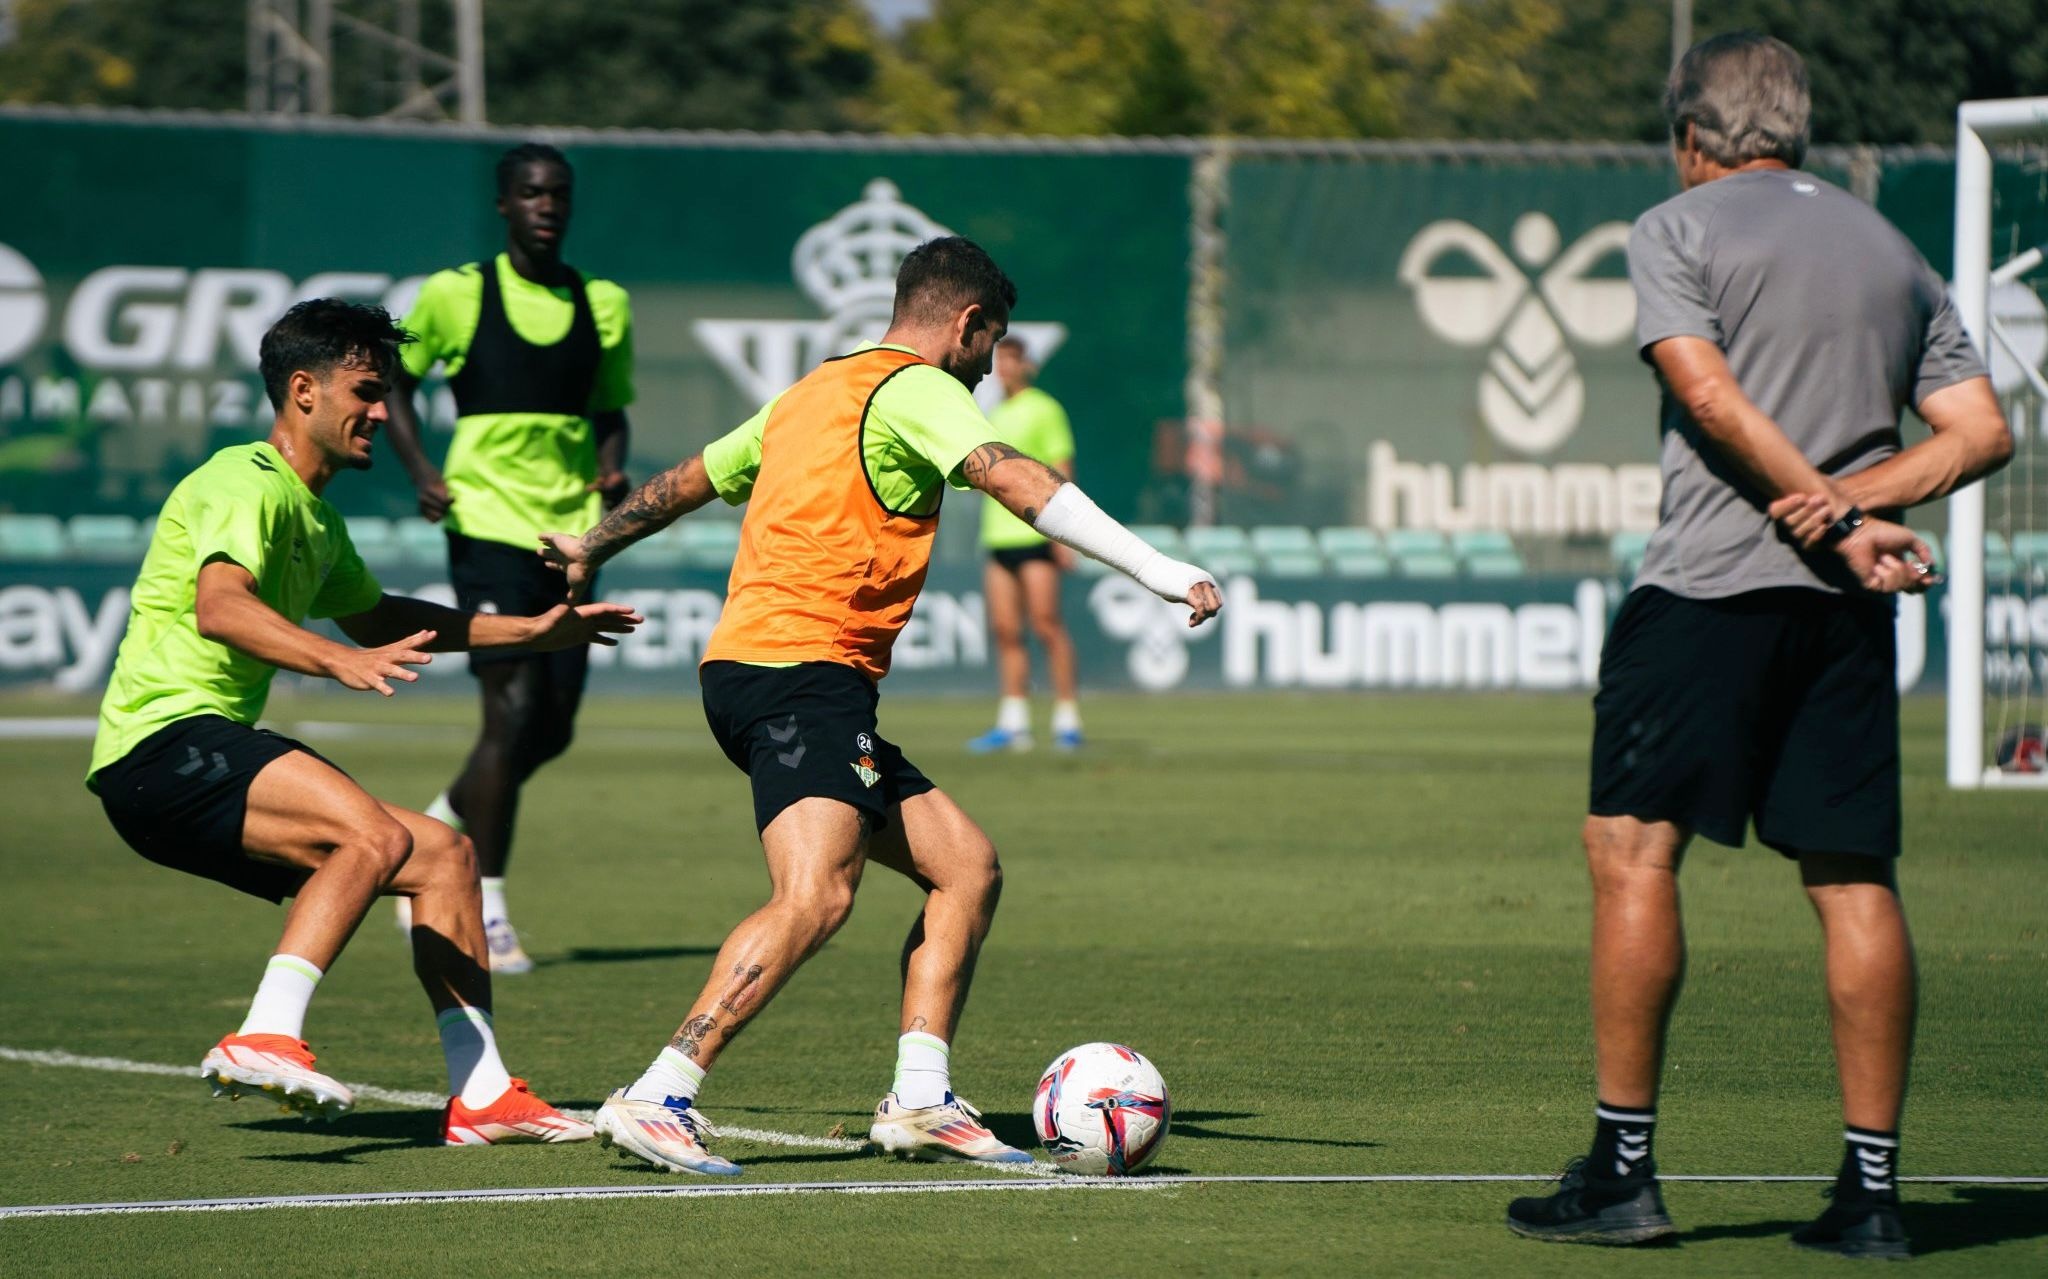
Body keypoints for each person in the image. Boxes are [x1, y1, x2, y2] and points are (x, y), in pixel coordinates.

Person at [539, 237, 1222, 1175]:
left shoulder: (811, 392)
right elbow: (1012, 478)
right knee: (817, 893)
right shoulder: (920, 386)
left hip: (776, 672)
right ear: (966, 324)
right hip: (798, 672)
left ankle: (920, 1098)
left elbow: (691, 477)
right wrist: (1158, 567)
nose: (987, 368)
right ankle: (663, 1088)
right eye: (991, 345)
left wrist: (593, 544)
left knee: (966, 868)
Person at [1505, 34, 2012, 1258]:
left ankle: (1622, 1173)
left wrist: (1831, 511)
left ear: (1691, 134)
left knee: (1631, 850)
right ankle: (1873, 1196)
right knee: (1850, 876)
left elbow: (1709, 397)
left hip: (1704, 593)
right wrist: (1860, 509)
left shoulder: (1675, 228)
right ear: (1794, 129)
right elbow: (1982, 432)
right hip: (1844, 615)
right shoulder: (1887, 248)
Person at [88, 299, 641, 1144]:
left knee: (446, 856)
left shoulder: (315, 515)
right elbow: (220, 606)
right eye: (367, 390)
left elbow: (380, 617)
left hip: (197, 758)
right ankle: (263, 1033)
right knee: (369, 835)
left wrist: (531, 631)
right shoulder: (246, 481)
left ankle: (483, 1091)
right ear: (303, 390)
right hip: (162, 744)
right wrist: (330, 659)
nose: (383, 412)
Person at [382, 142, 636, 973]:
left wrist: (611, 477)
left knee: (552, 725)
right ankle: (481, 903)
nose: (546, 205)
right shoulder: (457, 293)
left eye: (558, 193)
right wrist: (423, 470)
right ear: (503, 204)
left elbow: (610, 410)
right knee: (513, 709)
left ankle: (440, 817)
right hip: (486, 522)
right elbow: (394, 381)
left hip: (568, 535)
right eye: (530, 193)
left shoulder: (604, 301)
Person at [968, 336, 1084, 752]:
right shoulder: (995, 413)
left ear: (1027, 365)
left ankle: (1067, 720)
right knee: (1005, 630)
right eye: (1000, 361)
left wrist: (1065, 534)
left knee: (1046, 625)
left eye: (1012, 361)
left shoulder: (1046, 409)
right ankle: (1014, 722)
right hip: (999, 538)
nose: (1004, 369)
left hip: (1036, 535)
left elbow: (1062, 470)